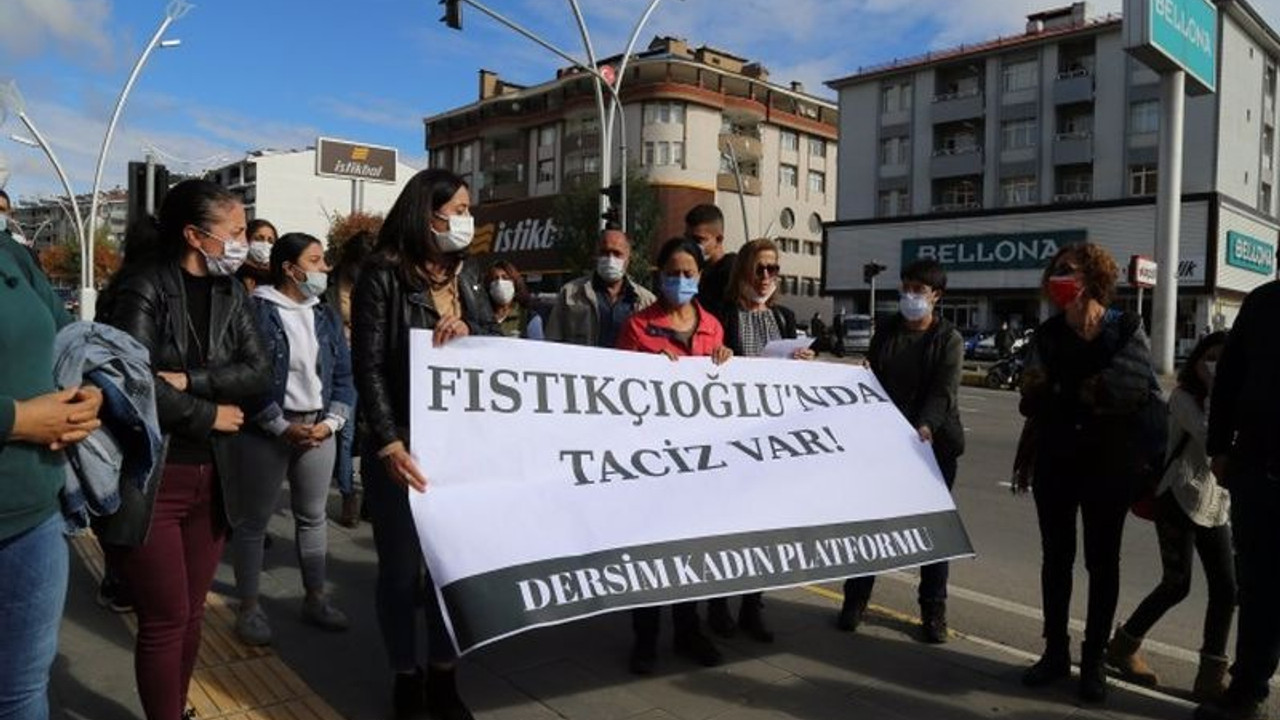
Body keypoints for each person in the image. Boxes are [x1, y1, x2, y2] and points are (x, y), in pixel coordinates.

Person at [99, 179, 271, 720]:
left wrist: (192, 381)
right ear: (196, 235)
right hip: (153, 478)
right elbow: (133, 383)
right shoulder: (143, 287)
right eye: (237, 232)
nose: (246, 243)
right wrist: (210, 413)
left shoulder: (232, 293)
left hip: (214, 477)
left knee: (194, 613)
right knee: (166, 617)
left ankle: (175, 706)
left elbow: (260, 371)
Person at [352, 168, 498, 720]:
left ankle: (443, 674)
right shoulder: (383, 275)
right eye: (456, 209)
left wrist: (471, 331)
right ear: (426, 212)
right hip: (403, 448)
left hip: (461, 452)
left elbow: (492, 349)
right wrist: (388, 442)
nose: (466, 220)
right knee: (398, 572)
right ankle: (404, 674)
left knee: (449, 569)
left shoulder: (471, 275)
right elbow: (367, 365)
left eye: (468, 209)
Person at [1017, 242, 1156, 704]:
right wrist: (1079, 392)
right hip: (1055, 458)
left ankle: (1093, 661)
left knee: (1102, 563)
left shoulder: (1126, 327)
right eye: (1056, 271)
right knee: (1055, 559)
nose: (1061, 278)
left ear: (1093, 277)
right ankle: (1055, 652)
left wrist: (1063, 389)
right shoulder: (1049, 334)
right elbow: (1030, 394)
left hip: (1109, 463)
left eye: (1070, 270)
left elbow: (1130, 388)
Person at [1, 200, 104, 720]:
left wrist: (91, 391)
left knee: (21, 693)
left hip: (34, 517)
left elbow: (68, 338)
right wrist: (15, 420)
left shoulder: (12, 256)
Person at [229, 232, 355, 647]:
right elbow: (246, 376)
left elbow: (343, 376)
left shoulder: (326, 314)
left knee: (312, 516)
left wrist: (332, 422)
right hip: (266, 431)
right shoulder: (255, 311)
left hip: (319, 429)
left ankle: (315, 598)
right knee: (253, 522)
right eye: (316, 261)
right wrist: (279, 425)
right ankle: (249, 607)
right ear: (290, 268)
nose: (324, 270)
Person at [617, 236, 733, 675]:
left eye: (688, 274)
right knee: (649, 554)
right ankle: (645, 639)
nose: (680, 281)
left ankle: (689, 630)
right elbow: (615, 391)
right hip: (651, 462)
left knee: (691, 552)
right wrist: (645, 370)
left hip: (699, 463)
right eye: (672, 273)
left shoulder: (714, 328)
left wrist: (726, 361)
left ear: (700, 277)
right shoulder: (637, 327)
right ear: (658, 275)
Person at [837, 258, 964, 644]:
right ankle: (855, 601)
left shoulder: (948, 339)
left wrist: (923, 427)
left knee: (932, 531)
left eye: (918, 290)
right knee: (870, 525)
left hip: (931, 445)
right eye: (906, 288)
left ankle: (933, 609)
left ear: (936, 296)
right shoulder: (889, 330)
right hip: (884, 444)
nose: (910, 296)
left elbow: (943, 393)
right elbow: (873, 374)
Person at [1107, 332, 1234, 700]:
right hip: (1177, 498)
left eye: (1224, 360)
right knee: (1177, 585)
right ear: (1197, 361)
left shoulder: (1236, 398)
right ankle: (1123, 647)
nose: (1216, 365)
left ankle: (1210, 675)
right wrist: (1214, 388)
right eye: (1210, 357)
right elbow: (1214, 438)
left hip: (1215, 504)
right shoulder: (1182, 398)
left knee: (1226, 589)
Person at [705, 238, 813, 645]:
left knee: (764, 529)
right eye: (759, 268)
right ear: (742, 272)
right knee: (725, 527)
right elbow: (707, 364)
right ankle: (717, 604)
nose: (766, 276)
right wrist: (718, 357)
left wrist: (805, 365)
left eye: (773, 269)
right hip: (730, 441)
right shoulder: (721, 315)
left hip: (771, 444)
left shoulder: (784, 318)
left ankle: (752, 606)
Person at [1198, 278, 1280, 720]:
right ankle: (1247, 691)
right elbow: (1229, 378)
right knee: (1259, 588)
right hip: (1257, 472)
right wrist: (1219, 448)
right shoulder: (1263, 303)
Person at [328, 229, 375, 528]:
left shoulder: (373, 285)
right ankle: (348, 495)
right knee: (344, 433)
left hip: (367, 364)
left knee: (368, 432)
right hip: (338, 368)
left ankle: (369, 496)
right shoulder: (329, 287)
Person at [545, 228, 655, 348]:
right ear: (596, 255)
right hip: (583, 366)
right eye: (604, 252)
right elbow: (553, 342)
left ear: (628, 259)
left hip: (627, 366)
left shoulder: (646, 301)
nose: (610, 259)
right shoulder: (570, 294)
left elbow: (655, 346)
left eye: (617, 253)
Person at [685, 204, 734, 320]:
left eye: (698, 240)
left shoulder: (732, 272)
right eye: (687, 238)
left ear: (719, 239)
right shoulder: (694, 270)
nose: (690, 245)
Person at [485, 260, 531, 338]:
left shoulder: (528, 318)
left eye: (505, 278)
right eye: (495, 278)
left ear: (515, 283)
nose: (500, 282)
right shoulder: (481, 317)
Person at [237, 218, 278, 293]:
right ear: (246, 240)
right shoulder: (235, 271)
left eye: (270, 241)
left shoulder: (278, 277)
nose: (265, 244)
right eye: (259, 239)